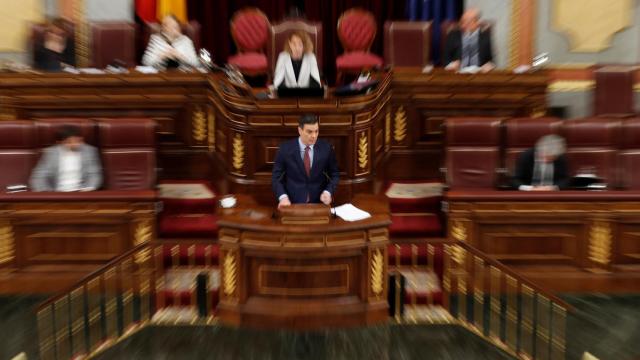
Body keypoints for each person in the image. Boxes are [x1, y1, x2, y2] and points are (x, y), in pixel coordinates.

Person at [272, 114, 339, 208]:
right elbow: (276, 178)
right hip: (292, 203)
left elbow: (334, 175)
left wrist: (328, 192)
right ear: (300, 130)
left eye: (316, 131)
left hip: (319, 202)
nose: (314, 136)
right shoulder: (285, 149)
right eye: (309, 132)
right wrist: (283, 197)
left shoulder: (326, 148)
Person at [30, 125, 102, 192]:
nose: (74, 144)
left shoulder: (89, 151)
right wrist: (46, 193)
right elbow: (39, 176)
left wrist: (88, 188)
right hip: (56, 193)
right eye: (69, 142)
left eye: (78, 141)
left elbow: (94, 174)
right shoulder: (50, 153)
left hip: (82, 192)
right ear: (59, 142)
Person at [443, 8, 495, 73]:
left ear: (477, 22)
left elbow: (491, 61)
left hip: (479, 75)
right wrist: (451, 65)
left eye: (468, 21)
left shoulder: (485, 37)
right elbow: (445, 59)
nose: (464, 25)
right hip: (458, 74)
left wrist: (489, 66)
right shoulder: (453, 35)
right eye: (462, 21)